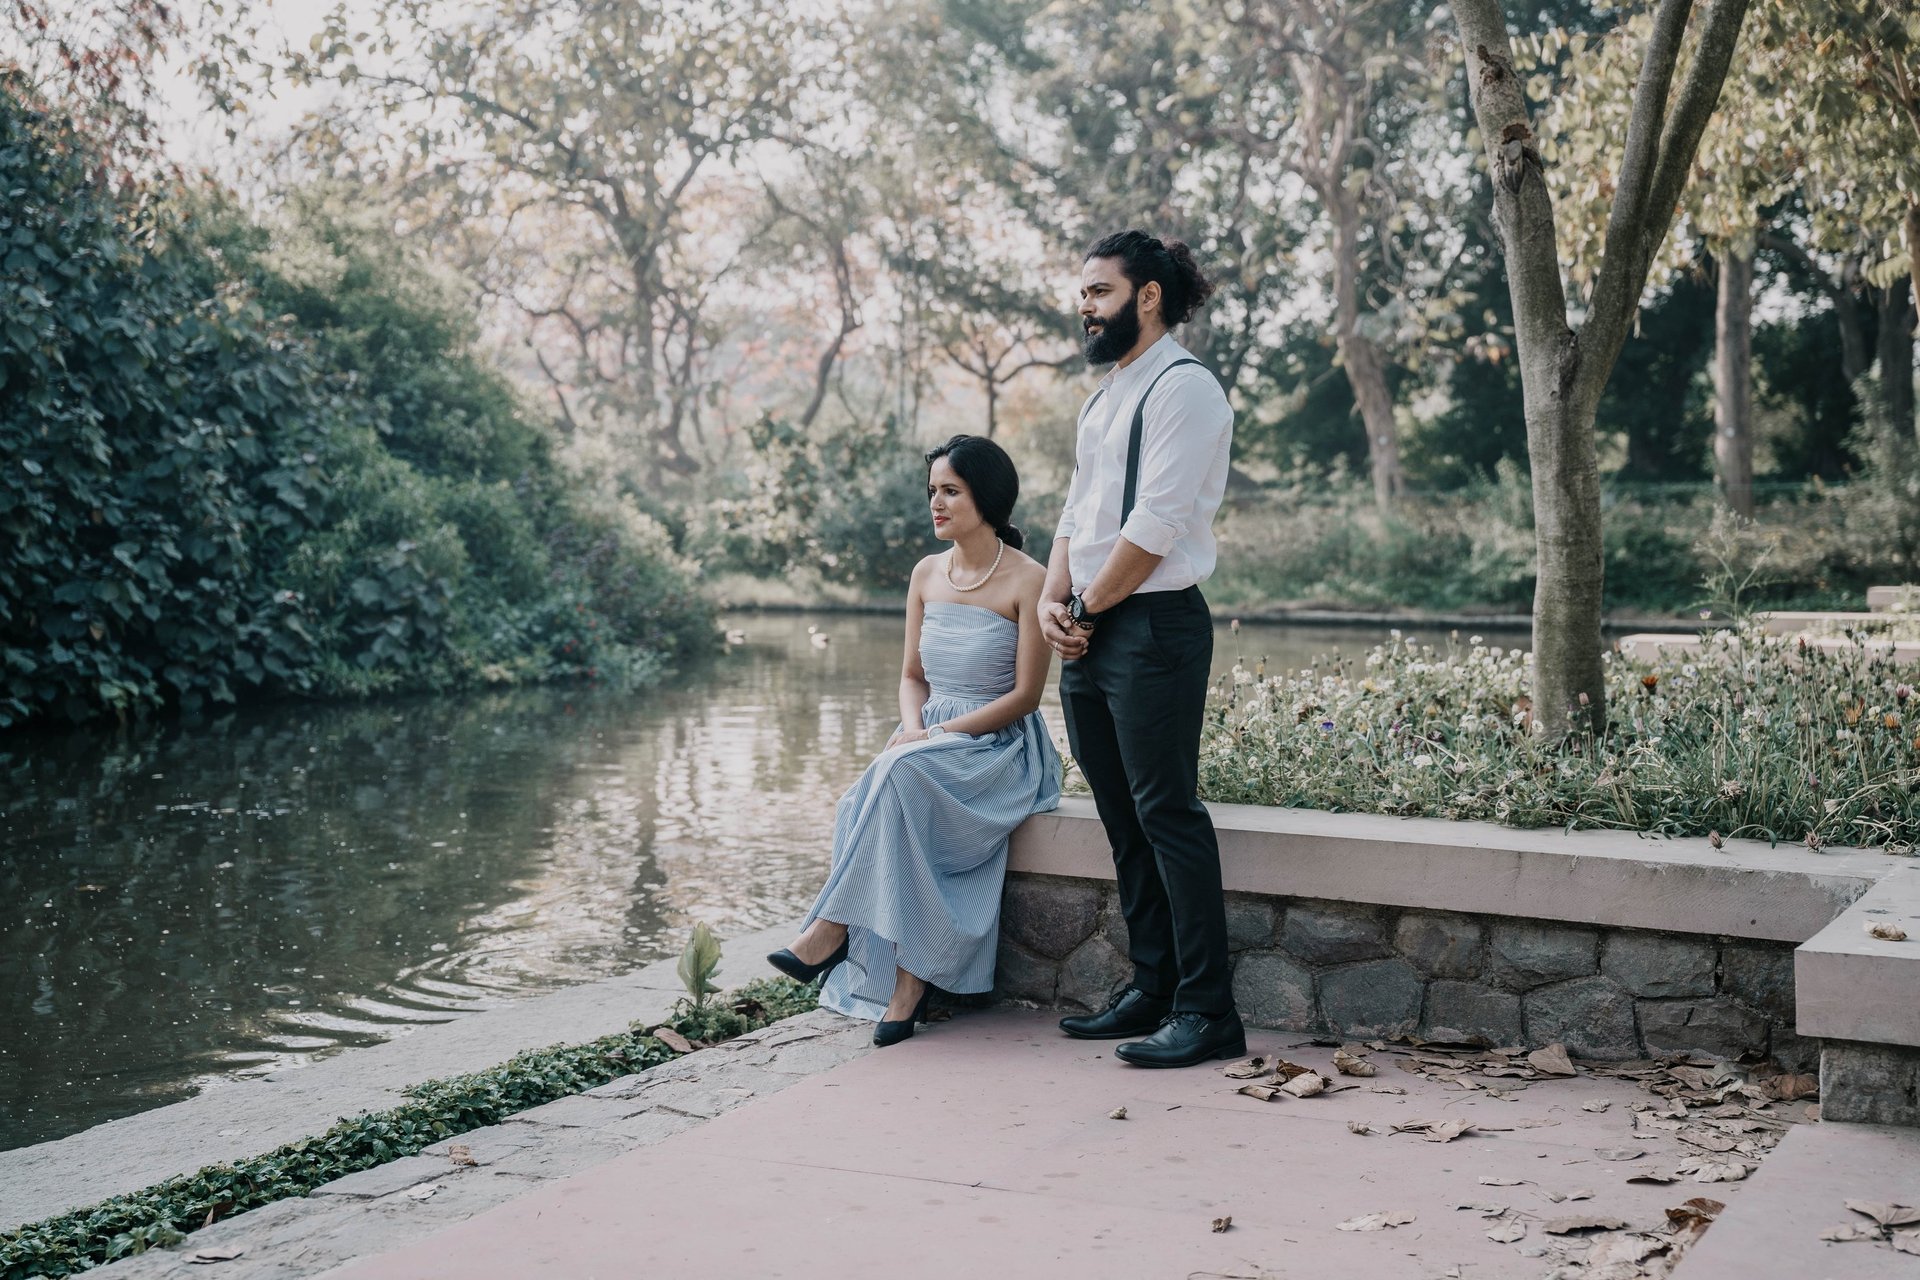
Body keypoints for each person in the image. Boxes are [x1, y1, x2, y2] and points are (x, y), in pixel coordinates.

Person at [769, 435, 1062, 1047]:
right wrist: (911, 728)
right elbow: (912, 676)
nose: (936, 503)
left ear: (987, 496)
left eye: (950, 491)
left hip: (995, 744)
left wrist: (937, 733)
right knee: (864, 796)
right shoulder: (926, 573)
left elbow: (1027, 698)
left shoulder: (1029, 579)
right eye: (932, 491)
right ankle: (900, 982)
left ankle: (833, 932)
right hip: (925, 733)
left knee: (900, 774)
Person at [1040, 229, 1242, 1069]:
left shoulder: (1185, 390)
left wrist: (1084, 604)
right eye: (1082, 294)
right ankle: (1152, 986)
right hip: (1091, 626)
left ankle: (1207, 1011)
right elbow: (1076, 515)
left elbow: (1153, 527)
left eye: (1098, 292)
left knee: (1169, 816)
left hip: (1152, 625)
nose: (1084, 308)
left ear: (1147, 295)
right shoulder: (1107, 394)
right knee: (1123, 819)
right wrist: (1054, 602)